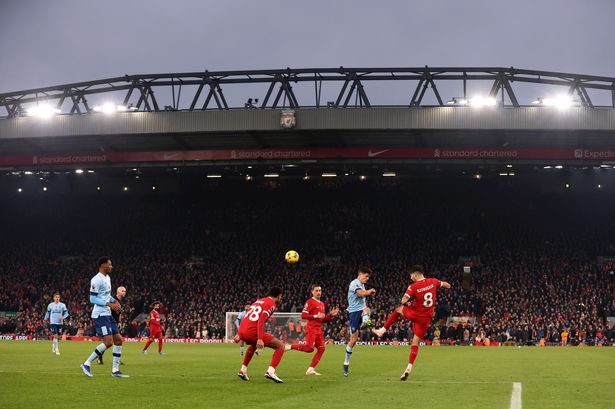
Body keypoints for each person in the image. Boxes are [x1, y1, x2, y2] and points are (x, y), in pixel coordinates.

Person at [372, 265, 451, 380]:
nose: (410, 278)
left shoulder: (413, 286)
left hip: (416, 314)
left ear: (415, 274)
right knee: (415, 343)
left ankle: (382, 330)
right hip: (427, 319)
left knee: (398, 309)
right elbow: (447, 285)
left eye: (411, 276)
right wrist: (446, 285)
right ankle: (408, 368)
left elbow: (403, 300)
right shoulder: (433, 281)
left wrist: (407, 302)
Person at [80, 256, 129, 378]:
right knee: (108, 342)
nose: (111, 266)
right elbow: (92, 298)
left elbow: (106, 295)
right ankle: (86, 364)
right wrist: (109, 304)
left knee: (118, 340)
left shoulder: (108, 278)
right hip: (100, 315)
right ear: (102, 265)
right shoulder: (96, 280)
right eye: (109, 264)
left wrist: (114, 301)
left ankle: (115, 370)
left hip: (107, 313)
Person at [236, 287, 290, 383]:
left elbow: (246, 316)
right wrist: (260, 338)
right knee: (281, 346)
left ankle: (243, 370)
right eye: (281, 296)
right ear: (279, 296)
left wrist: (239, 333)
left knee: (253, 346)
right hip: (252, 331)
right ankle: (271, 371)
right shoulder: (271, 304)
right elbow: (261, 320)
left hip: (243, 330)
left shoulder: (258, 301)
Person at [291, 284, 340, 375]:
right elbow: (303, 315)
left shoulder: (322, 304)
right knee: (309, 349)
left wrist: (331, 315)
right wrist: (315, 315)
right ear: (312, 292)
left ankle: (310, 369)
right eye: (316, 291)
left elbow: (323, 320)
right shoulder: (310, 302)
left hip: (319, 330)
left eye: (320, 291)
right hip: (311, 329)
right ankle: (289, 346)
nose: (318, 292)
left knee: (321, 349)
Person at [344, 267, 376, 377]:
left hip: (361, 310)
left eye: (368, 277)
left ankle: (365, 322)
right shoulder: (354, 283)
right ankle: (346, 362)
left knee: (366, 309)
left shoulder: (362, 284)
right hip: (353, 313)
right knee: (353, 340)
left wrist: (368, 292)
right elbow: (360, 293)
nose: (367, 278)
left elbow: (363, 293)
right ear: (360, 274)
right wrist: (369, 292)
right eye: (366, 276)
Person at [97, 286, 126, 365]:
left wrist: (119, 321)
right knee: (107, 342)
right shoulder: (112, 299)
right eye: (122, 291)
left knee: (117, 341)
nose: (124, 292)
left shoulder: (121, 301)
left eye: (125, 291)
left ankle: (117, 359)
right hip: (108, 322)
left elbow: (119, 312)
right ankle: (99, 358)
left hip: (115, 323)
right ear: (118, 292)